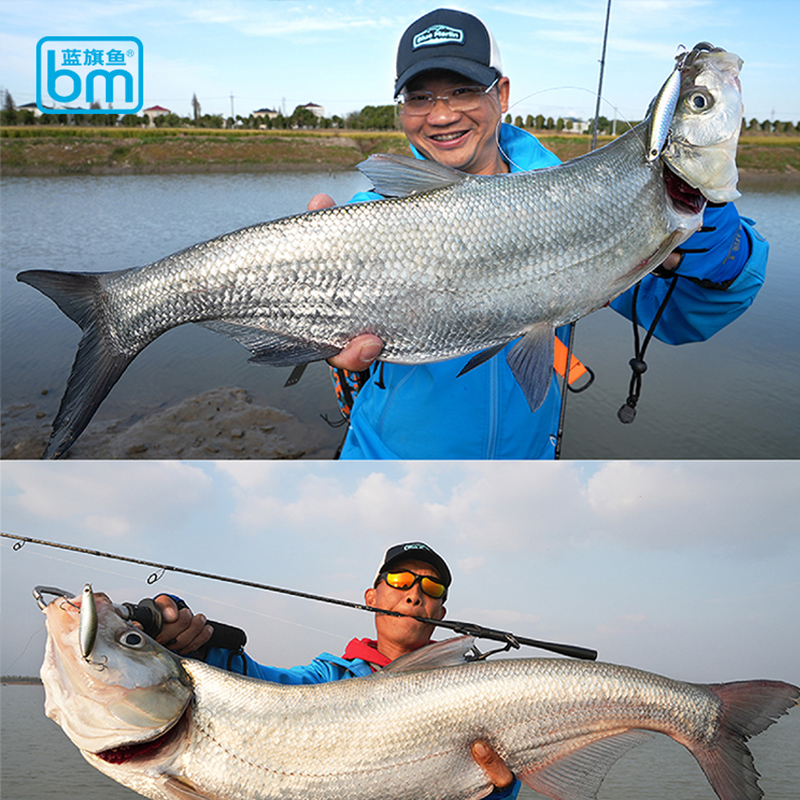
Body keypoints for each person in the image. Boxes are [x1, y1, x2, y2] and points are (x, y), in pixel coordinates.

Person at [308, 8, 768, 459]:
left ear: (501, 93)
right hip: (384, 461)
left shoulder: (586, 201)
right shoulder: (365, 221)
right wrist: (312, 328)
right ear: (402, 109)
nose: (441, 115)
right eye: (419, 97)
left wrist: (718, 254)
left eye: (463, 90)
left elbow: (681, 318)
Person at [148, 542, 520, 799]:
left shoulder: (470, 688)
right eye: (400, 580)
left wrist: (500, 793)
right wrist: (179, 625)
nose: (414, 594)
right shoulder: (327, 679)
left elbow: (504, 776)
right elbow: (256, 683)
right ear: (371, 598)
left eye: (431, 587)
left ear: (440, 614)